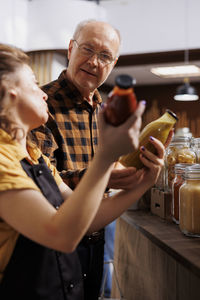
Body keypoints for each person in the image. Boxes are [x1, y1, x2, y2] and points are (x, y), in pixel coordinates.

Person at [0, 43, 165, 300]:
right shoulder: (1, 162)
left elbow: (88, 220)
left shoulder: (34, 156)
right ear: (10, 93)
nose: (42, 93)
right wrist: (106, 157)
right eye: (33, 84)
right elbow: (61, 235)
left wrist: (145, 181)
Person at [32, 19, 145, 299]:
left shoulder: (103, 109)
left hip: (97, 238)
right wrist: (103, 172)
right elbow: (44, 184)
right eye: (87, 50)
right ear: (71, 49)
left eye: (105, 56)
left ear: (114, 63)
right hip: (55, 242)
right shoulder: (40, 105)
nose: (94, 62)